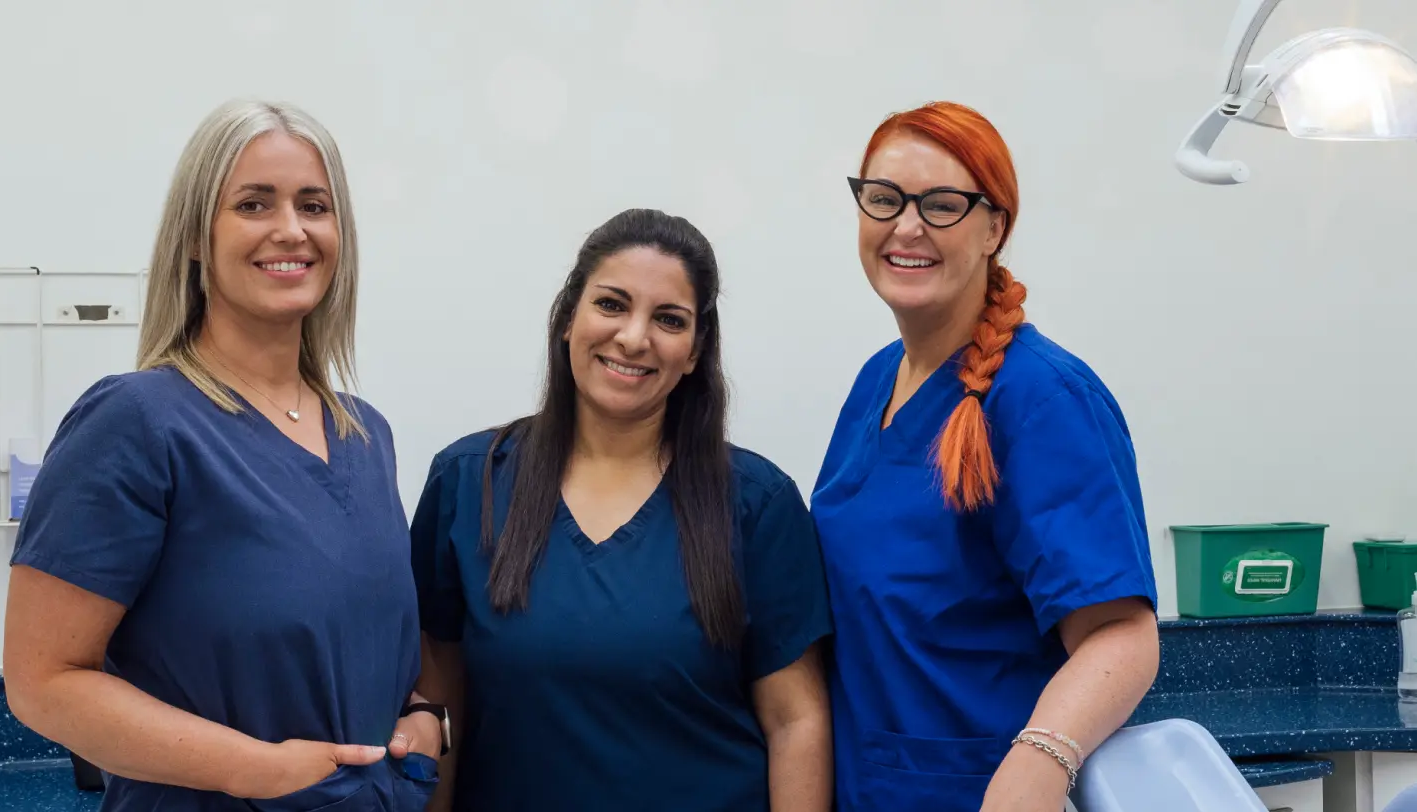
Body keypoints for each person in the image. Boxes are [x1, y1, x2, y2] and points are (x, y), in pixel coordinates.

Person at [0, 99, 441, 812]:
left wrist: (424, 717)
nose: (290, 229)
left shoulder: (366, 436)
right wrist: (256, 771)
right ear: (198, 236)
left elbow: (350, 647)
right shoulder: (137, 423)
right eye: (254, 204)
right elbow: (41, 682)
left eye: (314, 205)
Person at [407, 208, 835, 812]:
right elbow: (440, 700)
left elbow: (796, 722)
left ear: (694, 352)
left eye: (668, 319)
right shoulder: (469, 482)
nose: (635, 338)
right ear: (566, 319)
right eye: (611, 304)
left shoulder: (756, 503)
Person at [815, 100, 1161, 812]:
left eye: (942, 205)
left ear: (994, 227)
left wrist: (1038, 764)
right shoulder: (877, 380)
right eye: (884, 200)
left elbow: (1121, 636)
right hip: (871, 785)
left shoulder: (1041, 399)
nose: (906, 227)